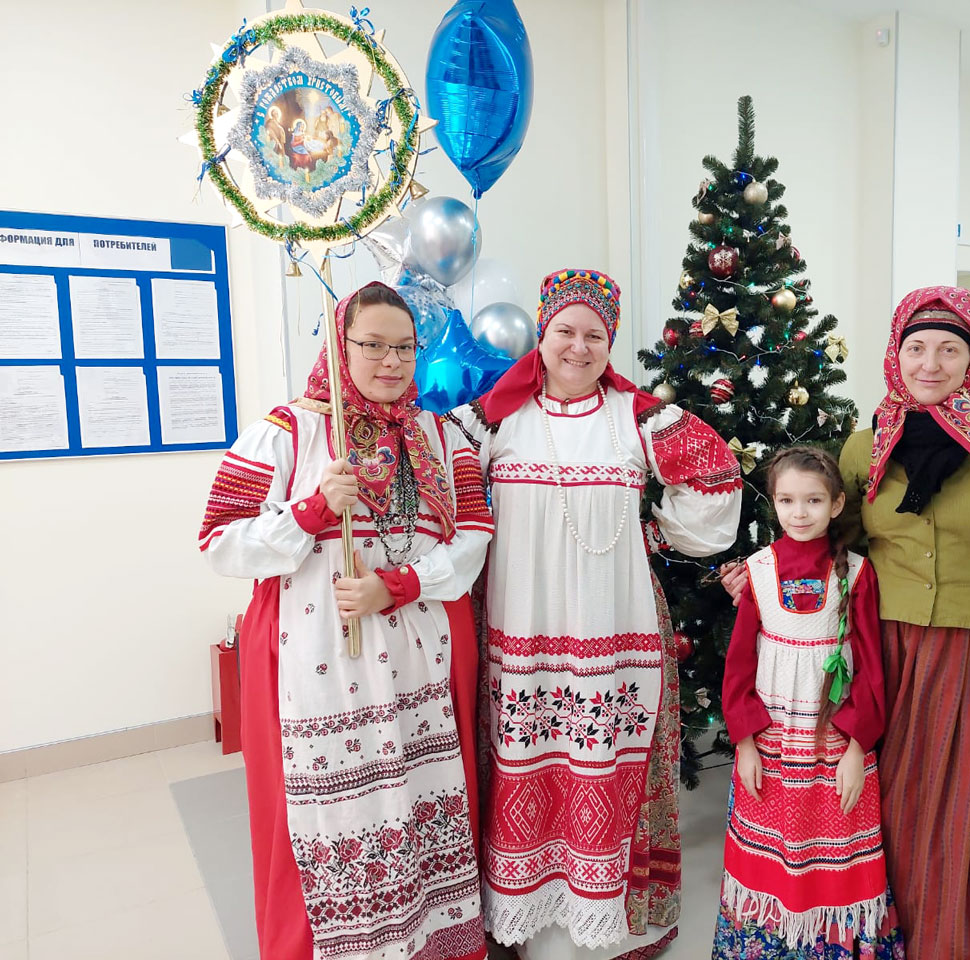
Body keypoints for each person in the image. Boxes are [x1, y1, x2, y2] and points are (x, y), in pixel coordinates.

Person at [724, 285, 970, 958]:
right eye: (916, 347)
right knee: (895, 810)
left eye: (949, 349)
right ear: (895, 355)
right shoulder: (865, 446)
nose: (931, 363)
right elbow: (824, 544)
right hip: (886, 651)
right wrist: (759, 574)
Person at [448, 268, 742, 960]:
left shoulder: (638, 420)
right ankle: (533, 921)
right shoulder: (497, 419)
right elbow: (435, 481)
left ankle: (607, 928)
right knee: (528, 760)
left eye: (594, 335)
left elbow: (715, 484)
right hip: (521, 632)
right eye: (564, 332)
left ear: (609, 342)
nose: (578, 347)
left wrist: (662, 526)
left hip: (616, 631)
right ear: (541, 336)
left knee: (607, 764)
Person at [198, 281, 495, 960]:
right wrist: (310, 510)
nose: (391, 362)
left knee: (424, 795)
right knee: (338, 810)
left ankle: (432, 939)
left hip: (419, 647)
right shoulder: (289, 430)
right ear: (339, 346)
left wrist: (399, 585)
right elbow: (220, 540)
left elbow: (474, 535)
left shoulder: (442, 435)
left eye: (404, 348)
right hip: (320, 657)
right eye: (372, 346)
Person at [715, 446, 904, 960]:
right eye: (787, 500)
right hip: (771, 746)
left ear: (837, 504)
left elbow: (869, 667)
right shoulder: (757, 570)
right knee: (773, 849)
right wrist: (746, 745)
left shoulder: (858, 574)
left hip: (835, 745)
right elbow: (738, 667)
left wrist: (855, 750)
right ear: (773, 504)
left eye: (814, 500)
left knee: (834, 847)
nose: (799, 513)